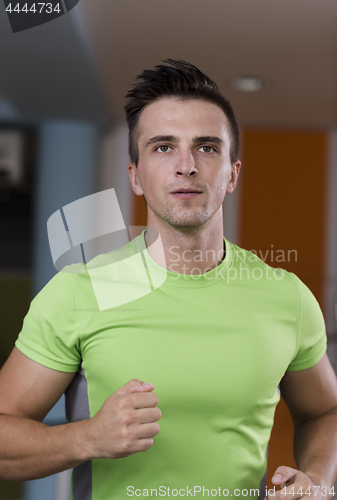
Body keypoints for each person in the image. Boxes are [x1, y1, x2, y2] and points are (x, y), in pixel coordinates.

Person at [0, 59, 337, 500]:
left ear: (232, 173)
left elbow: (324, 412)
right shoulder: (79, 291)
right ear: (135, 176)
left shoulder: (287, 297)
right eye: (163, 147)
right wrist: (87, 438)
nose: (186, 165)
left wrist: (316, 480)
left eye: (207, 147)